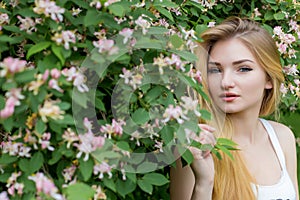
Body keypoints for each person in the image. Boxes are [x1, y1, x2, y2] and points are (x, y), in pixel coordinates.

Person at [170, 17, 299, 200]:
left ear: (269, 78)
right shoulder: (195, 144)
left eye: (243, 69)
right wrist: (204, 183)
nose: (226, 82)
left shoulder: (282, 138)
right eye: (215, 70)